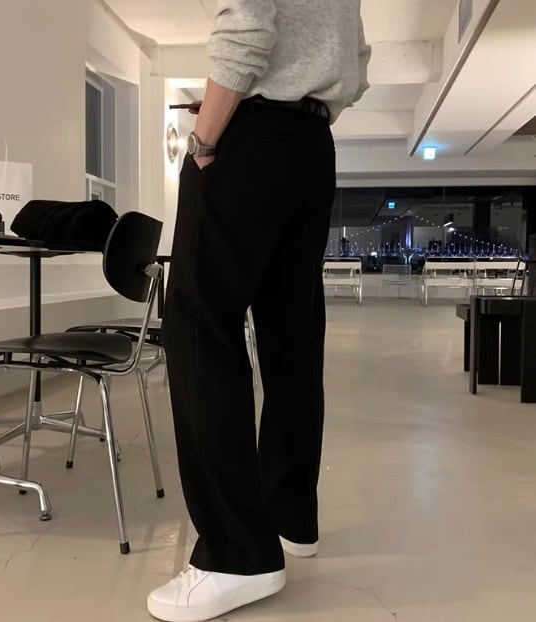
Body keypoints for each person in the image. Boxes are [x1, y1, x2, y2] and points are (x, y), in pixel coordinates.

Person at [150, 2, 371, 620]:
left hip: (248, 138)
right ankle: (289, 515)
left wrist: (204, 137)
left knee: (198, 329)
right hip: (312, 144)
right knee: (291, 331)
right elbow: (356, 60)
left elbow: (247, 23)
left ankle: (236, 554)